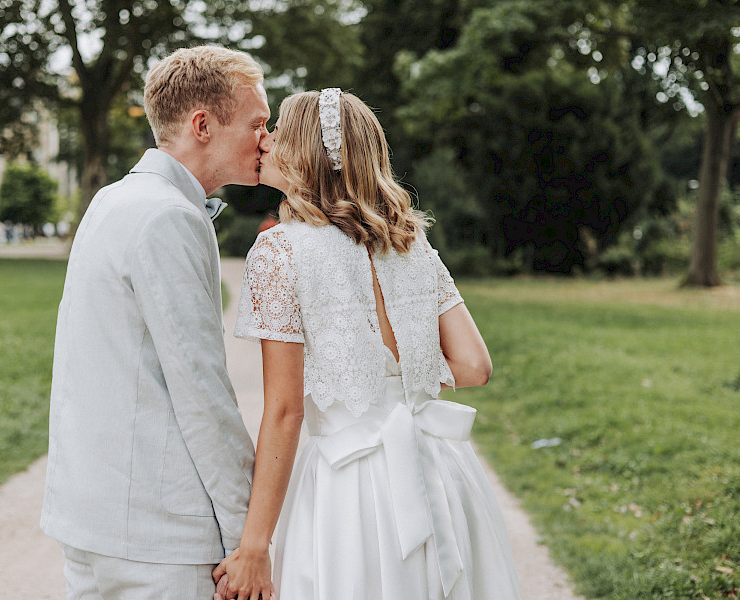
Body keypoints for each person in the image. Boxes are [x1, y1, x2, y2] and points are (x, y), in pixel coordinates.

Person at [215, 89, 524, 599]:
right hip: (439, 474)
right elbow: (474, 365)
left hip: (350, 487)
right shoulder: (411, 243)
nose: (263, 140)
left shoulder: (279, 251)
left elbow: (286, 411)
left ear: (304, 152)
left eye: (277, 132)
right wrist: (406, 380)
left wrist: (255, 546)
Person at [40, 46, 274, 600]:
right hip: (156, 535)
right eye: (257, 123)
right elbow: (201, 392)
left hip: (90, 518)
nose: (266, 139)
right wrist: (249, 539)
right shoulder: (169, 216)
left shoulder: (112, 200)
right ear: (203, 124)